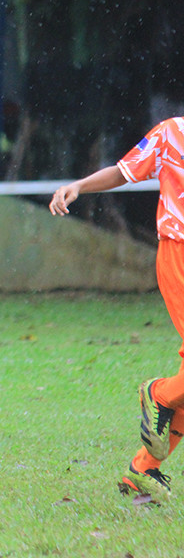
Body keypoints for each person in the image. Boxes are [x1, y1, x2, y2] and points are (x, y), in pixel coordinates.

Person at [50, 119, 184, 504]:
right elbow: (124, 170)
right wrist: (78, 185)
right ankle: (156, 394)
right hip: (178, 252)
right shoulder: (171, 132)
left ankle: (142, 471)